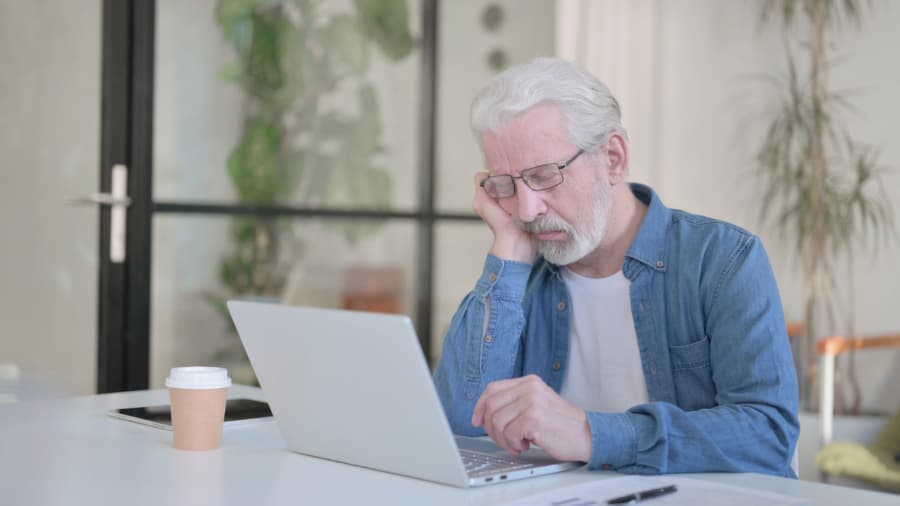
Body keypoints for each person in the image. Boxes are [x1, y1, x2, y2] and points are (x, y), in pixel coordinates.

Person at [433, 57, 799, 477]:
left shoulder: (722, 260)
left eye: (544, 176)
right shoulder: (521, 276)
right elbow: (460, 426)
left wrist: (591, 433)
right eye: (506, 185)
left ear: (612, 157)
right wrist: (509, 248)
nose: (527, 210)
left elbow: (769, 436)